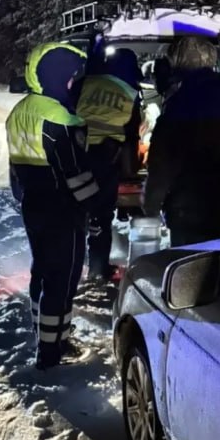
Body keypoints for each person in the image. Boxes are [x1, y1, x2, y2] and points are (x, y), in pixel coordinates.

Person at [6, 41, 97, 369]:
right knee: (64, 276)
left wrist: (24, 197)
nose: (74, 83)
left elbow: (15, 168)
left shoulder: (19, 112)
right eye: (71, 77)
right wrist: (94, 210)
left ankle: (40, 328)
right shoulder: (60, 116)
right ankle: (52, 349)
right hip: (62, 208)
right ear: (57, 77)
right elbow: (75, 173)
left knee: (42, 268)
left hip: (33, 202)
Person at [143, 35, 220, 246]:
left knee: (186, 270)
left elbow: (161, 162)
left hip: (186, 210)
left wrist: (151, 204)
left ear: (181, 63)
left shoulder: (179, 103)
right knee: (216, 267)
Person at [72, 47, 143, 283]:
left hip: (76, 155)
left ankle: (71, 263)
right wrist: (130, 171)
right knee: (100, 216)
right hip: (105, 159)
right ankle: (98, 269)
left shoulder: (84, 83)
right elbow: (131, 138)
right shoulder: (130, 94)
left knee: (75, 211)